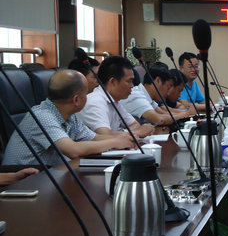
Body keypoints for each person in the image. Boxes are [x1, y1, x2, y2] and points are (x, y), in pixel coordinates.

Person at [2, 69, 134, 166]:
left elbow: (94, 138)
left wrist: (124, 138)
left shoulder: (69, 116)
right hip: (23, 182)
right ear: (76, 100)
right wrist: (114, 142)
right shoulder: (42, 116)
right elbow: (73, 150)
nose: (88, 97)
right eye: (86, 94)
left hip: (48, 174)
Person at [79, 55, 154, 139]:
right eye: (129, 81)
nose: (132, 86)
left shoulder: (114, 100)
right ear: (113, 82)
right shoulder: (95, 101)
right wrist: (136, 133)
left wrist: (127, 132)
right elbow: (105, 136)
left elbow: (135, 125)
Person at [121, 64, 190, 128]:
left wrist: (185, 114)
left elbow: (164, 113)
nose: (168, 93)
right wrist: (182, 115)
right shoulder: (136, 96)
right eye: (168, 87)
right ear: (158, 81)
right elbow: (158, 119)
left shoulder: (148, 96)